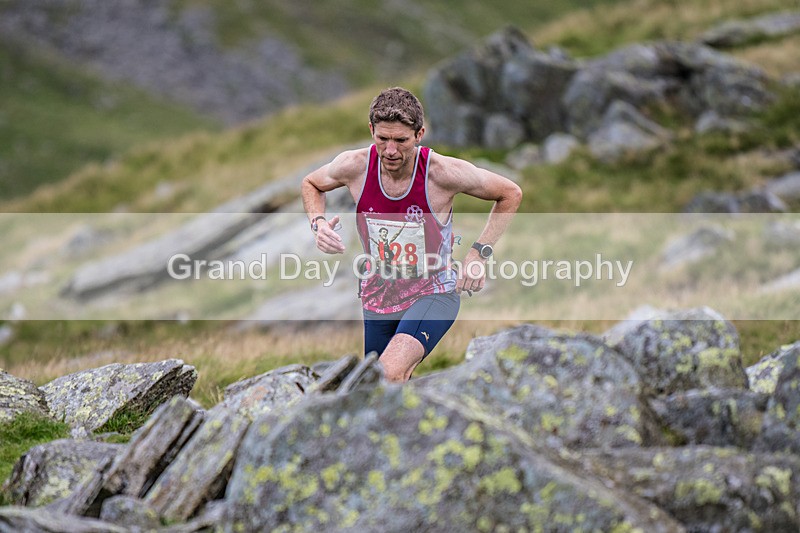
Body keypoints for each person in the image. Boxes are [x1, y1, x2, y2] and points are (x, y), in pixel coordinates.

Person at [301, 87, 522, 382]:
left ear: (419, 135)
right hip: (378, 297)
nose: (390, 151)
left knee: (388, 373)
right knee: (374, 388)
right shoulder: (354, 166)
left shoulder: (442, 173)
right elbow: (311, 183)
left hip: (433, 292)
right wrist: (318, 224)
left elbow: (510, 193)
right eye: (383, 139)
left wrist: (478, 254)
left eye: (401, 141)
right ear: (371, 131)